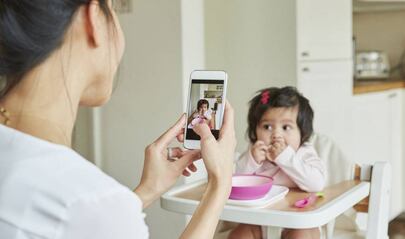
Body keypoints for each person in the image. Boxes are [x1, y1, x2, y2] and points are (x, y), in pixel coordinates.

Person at [0, 1, 236, 239]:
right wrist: (220, 183)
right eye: (114, 10)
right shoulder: (87, 201)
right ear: (94, 20)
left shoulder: (85, 204)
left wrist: (147, 190)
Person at [229, 87, 326, 239]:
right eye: (267, 127)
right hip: (259, 221)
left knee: (302, 235)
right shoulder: (256, 154)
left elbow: (316, 183)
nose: (276, 135)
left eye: (286, 127)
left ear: (303, 132)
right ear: (255, 131)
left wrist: (286, 158)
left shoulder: (304, 153)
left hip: (298, 220)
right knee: (240, 235)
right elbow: (235, 181)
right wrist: (251, 160)